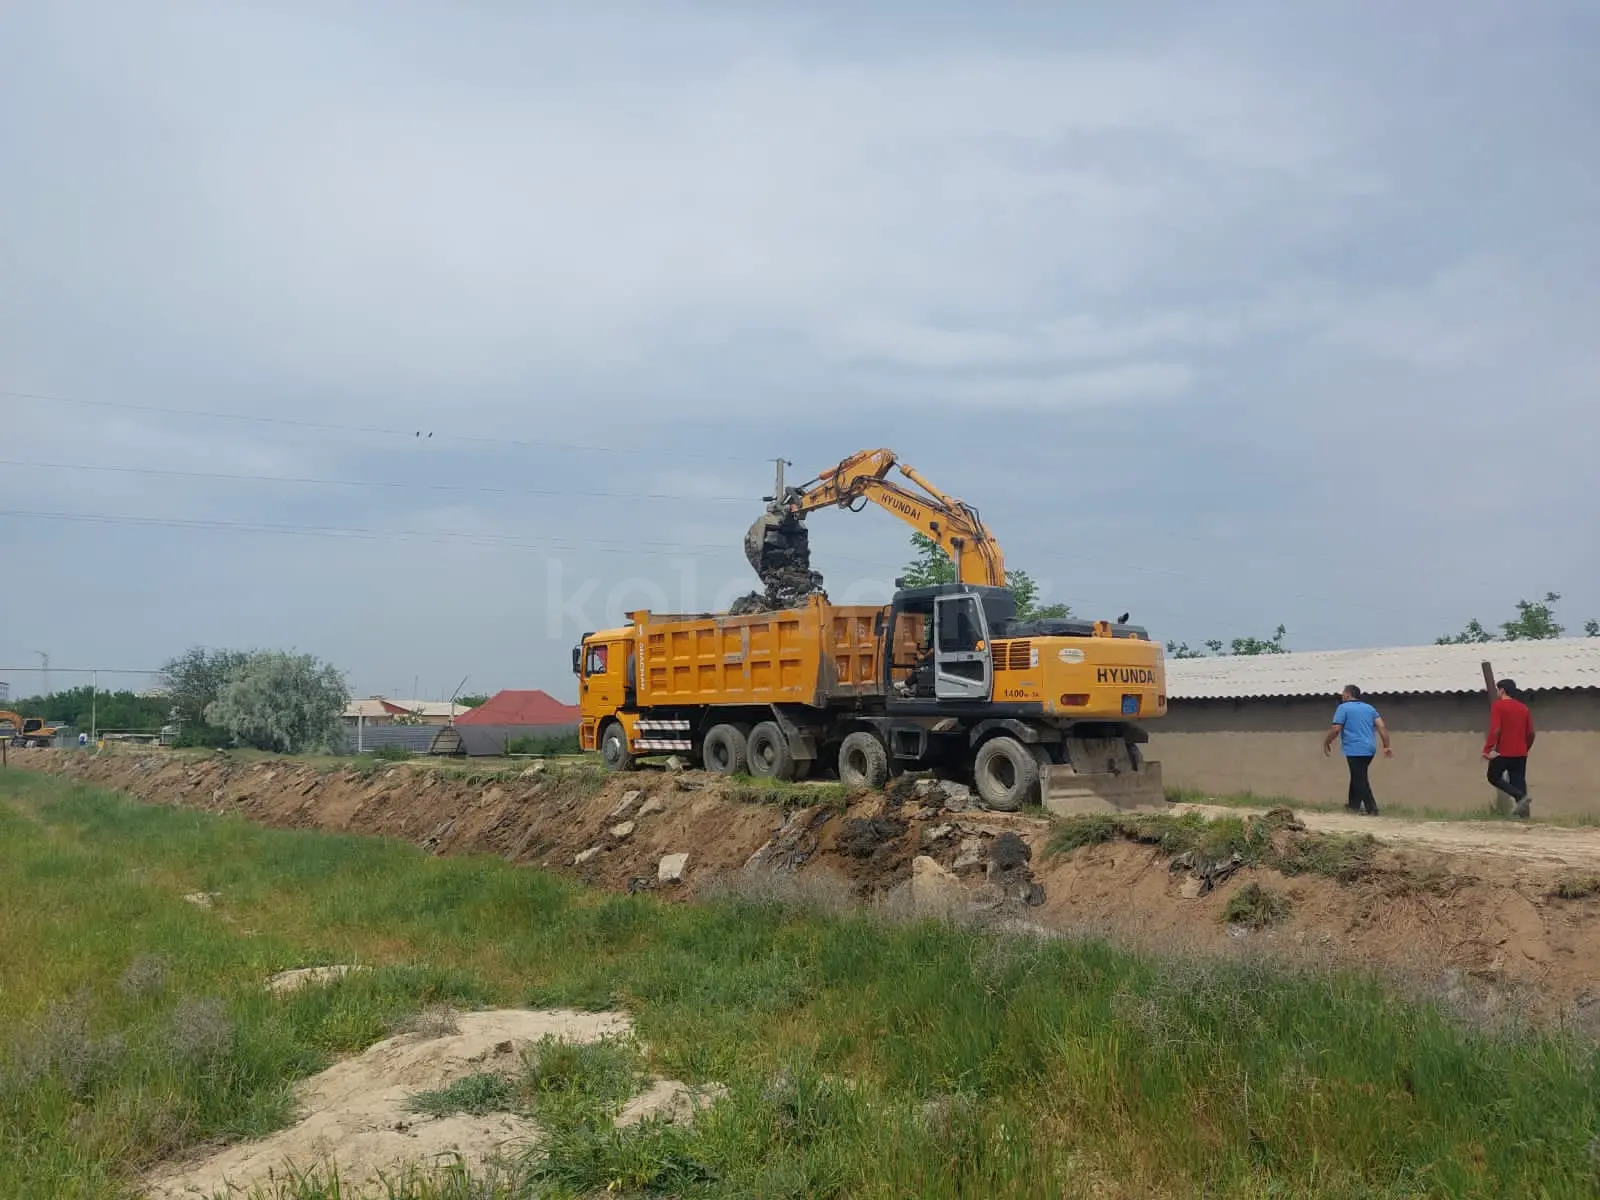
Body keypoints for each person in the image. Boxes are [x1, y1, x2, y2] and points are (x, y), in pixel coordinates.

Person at [1323, 684, 1392, 815]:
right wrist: (1386, 745)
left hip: (1354, 748)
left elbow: (1336, 729)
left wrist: (1326, 742)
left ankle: (1372, 808)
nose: (1342, 695)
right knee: (1357, 775)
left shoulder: (1343, 708)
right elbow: (1382, 727)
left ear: (1348, 694)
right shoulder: (1369, 708)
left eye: (1343, 693)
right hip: (1370, 748)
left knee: (1360, 778)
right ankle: (1353, 806)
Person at [1484, 678, 1535, 819]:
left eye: (1497, 689)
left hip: (1503, 752)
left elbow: (1496, 729)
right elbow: (1531, 733)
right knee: (1518, 781)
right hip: (1521, 753)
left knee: (1493, 776)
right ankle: (1525, 817)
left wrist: (1487, 749)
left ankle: (1519, 796)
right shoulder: (1523, 708)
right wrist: (1526, 747)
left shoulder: (1498, 706)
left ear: (1502, 690)